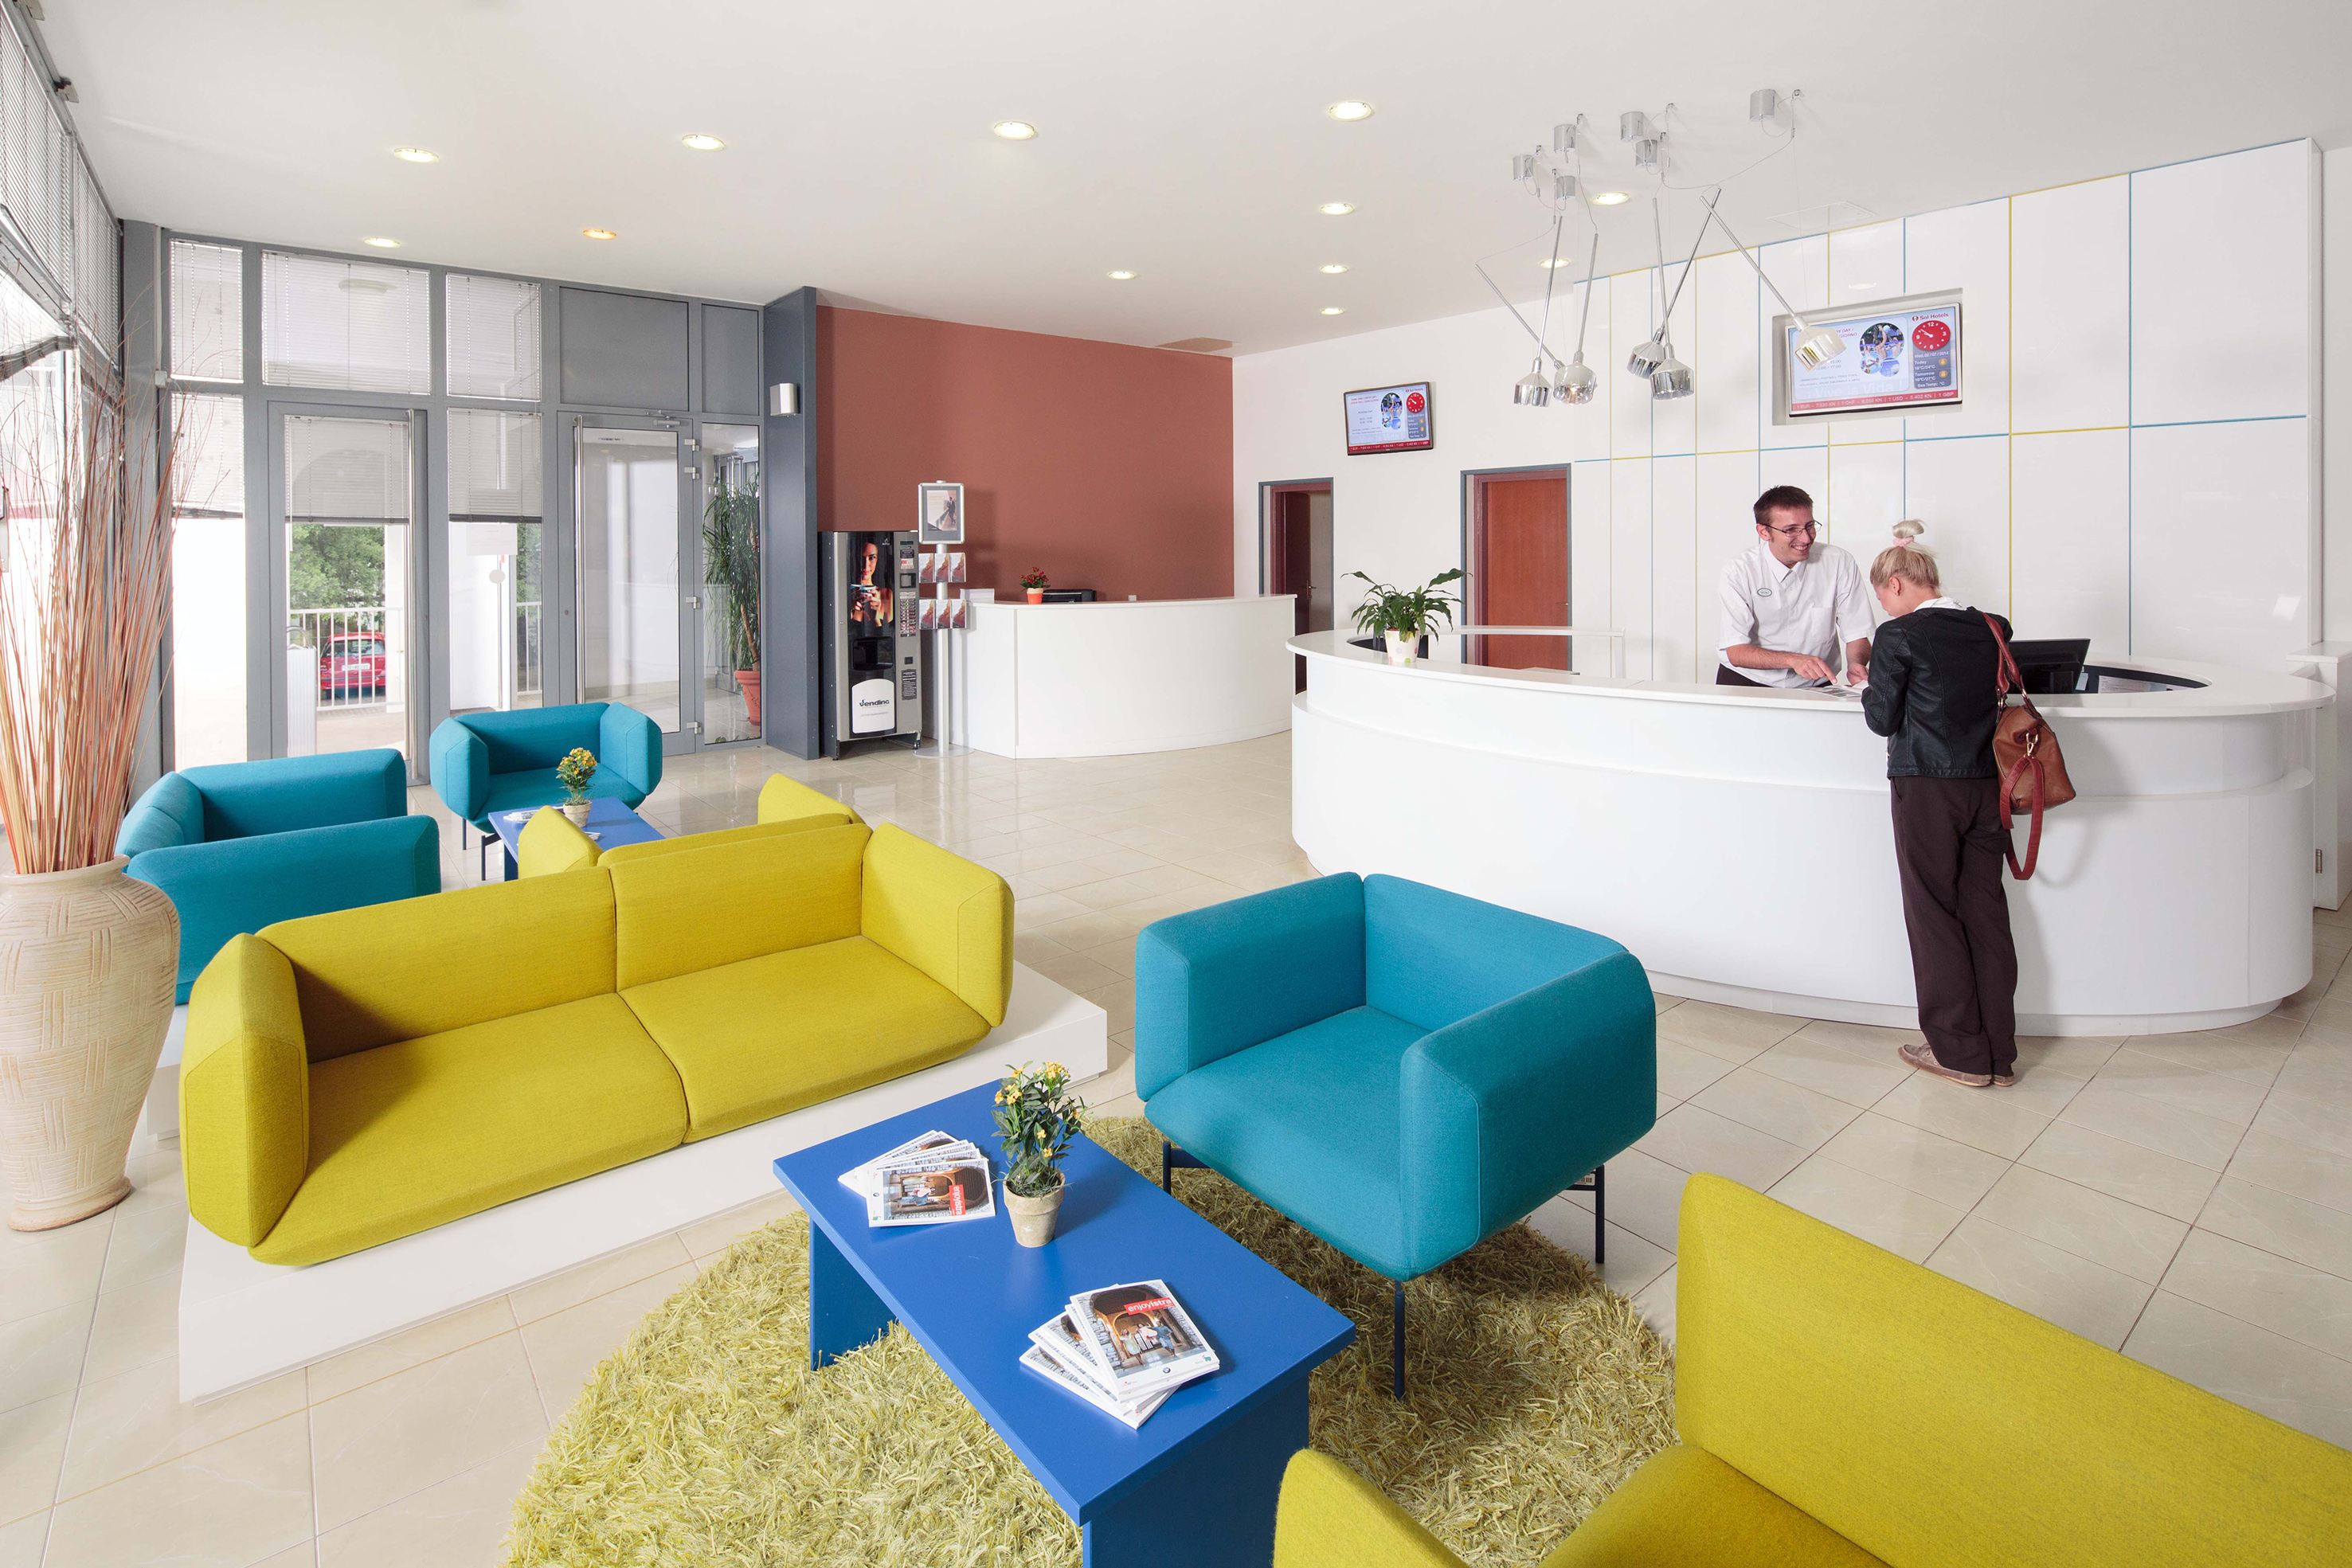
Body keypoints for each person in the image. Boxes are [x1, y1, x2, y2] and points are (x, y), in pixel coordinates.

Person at [1861, 521, 2019, 1089]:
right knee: (1985, 912)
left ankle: (1957, 1050)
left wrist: (1869, 682)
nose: (1884, 609)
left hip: (1925, 786)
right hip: (1985, 786)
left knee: (1931, 913)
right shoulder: (1992, 626)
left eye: (1882, 597)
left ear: (1898, 583)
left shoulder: (1899, 637)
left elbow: (1881, 717)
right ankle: (1998, 1052)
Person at [1717, 485, 1875, 688]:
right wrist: (1793, 660)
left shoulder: (1839, 562)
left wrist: (1856, 663)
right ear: (1764, 532)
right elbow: (1736, 651)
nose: (1806, 538)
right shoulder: (1739, 571)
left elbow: (1857, 632)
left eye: (1810, 526)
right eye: (1791, 530)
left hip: (1815, 684)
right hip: (1747, 681)